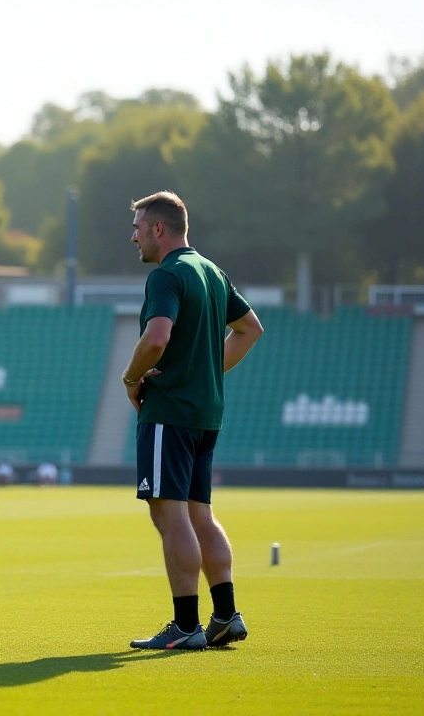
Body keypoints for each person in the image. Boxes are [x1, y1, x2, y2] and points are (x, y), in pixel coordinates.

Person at [122, 191, 263, 650]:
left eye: (139, 228)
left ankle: (186, 625)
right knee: (200, 513)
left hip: (170, 412)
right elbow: (250, 329)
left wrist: (131, 377)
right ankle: (226, 615)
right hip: (206, 413)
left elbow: (156, 337)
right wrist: (205, 370)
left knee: (169, 513)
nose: (135, 236)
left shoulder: (167, 274)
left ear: (158, 229)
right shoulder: (211, 271)